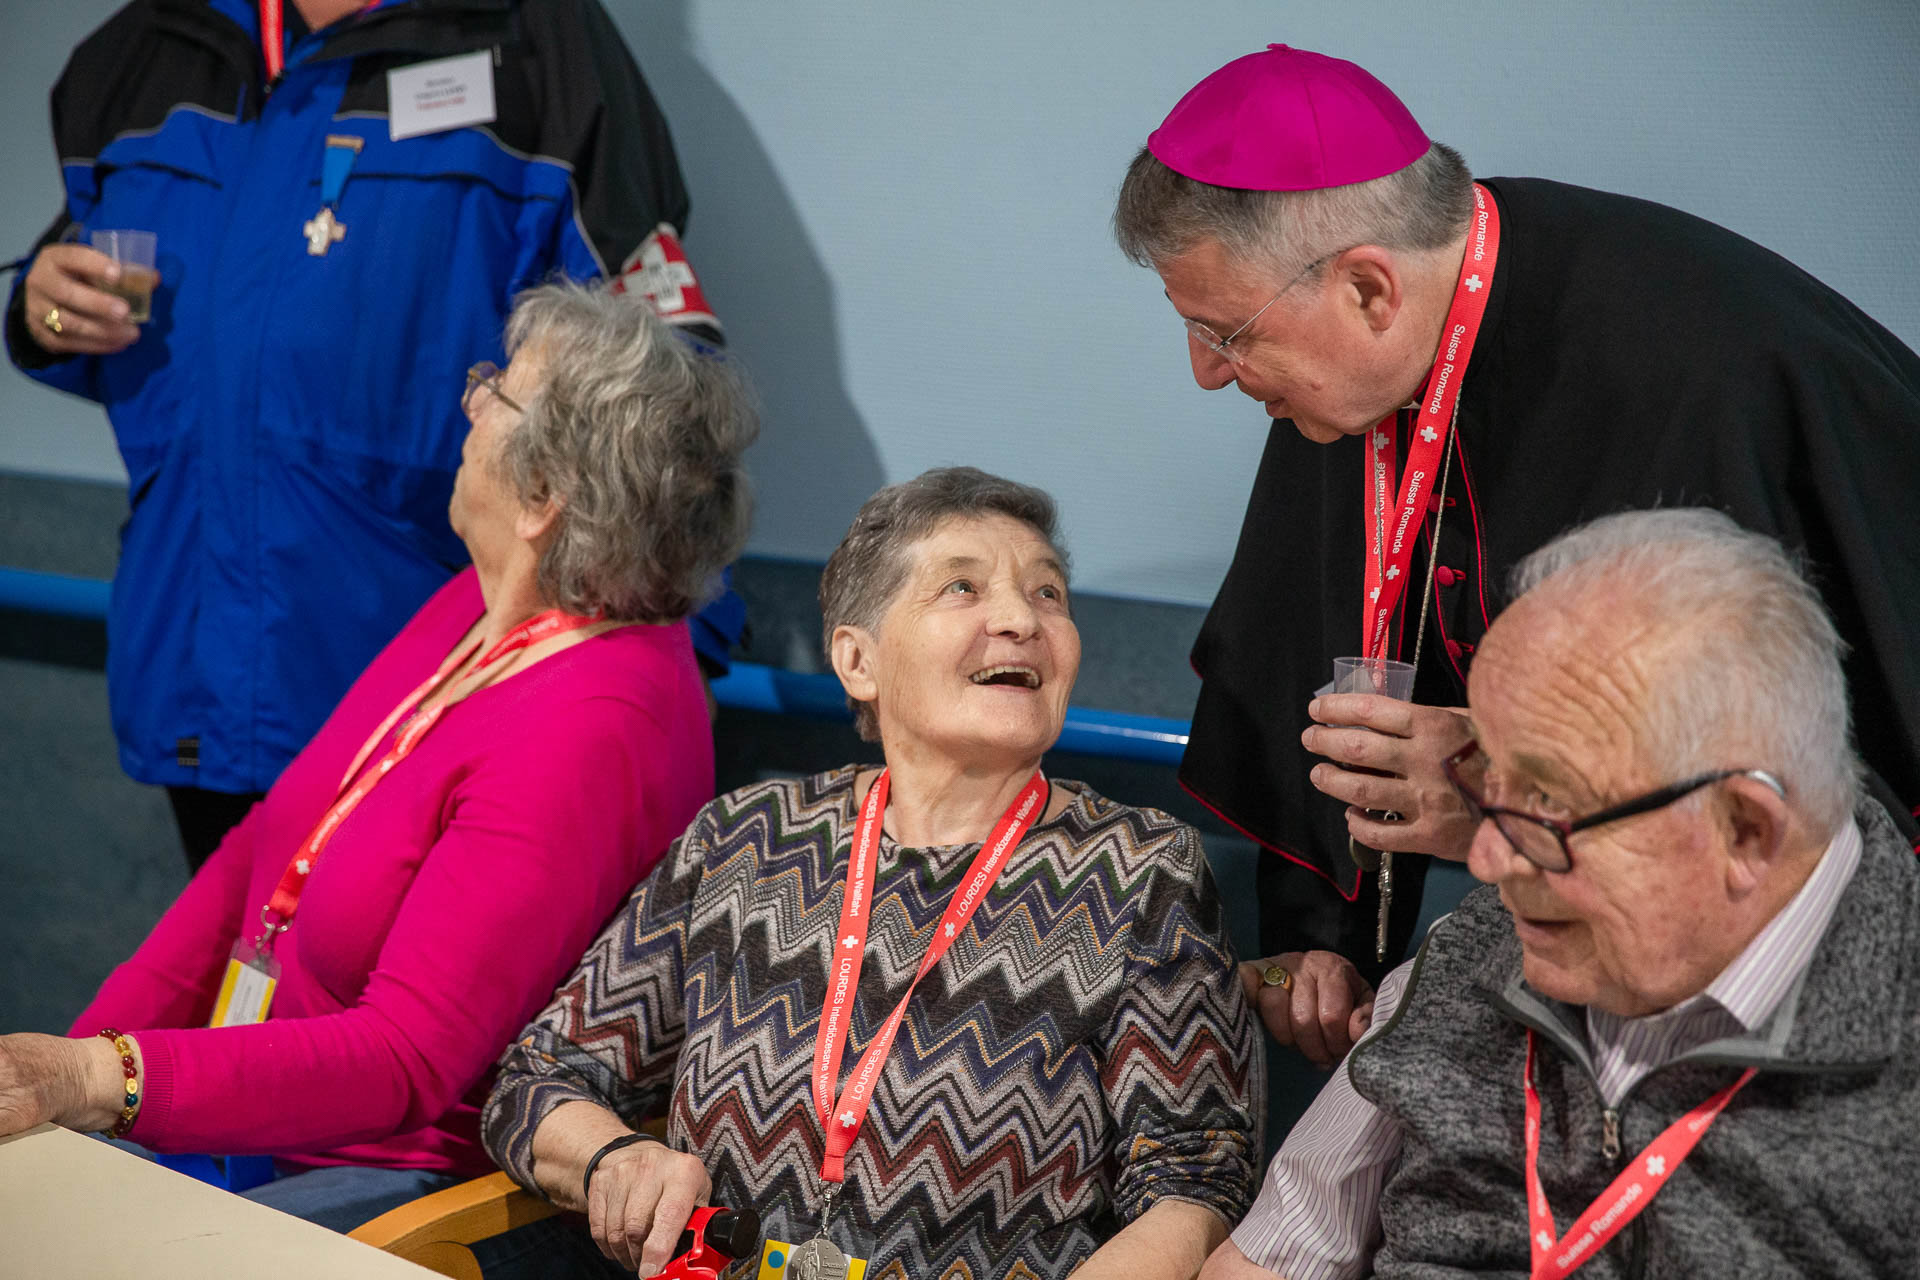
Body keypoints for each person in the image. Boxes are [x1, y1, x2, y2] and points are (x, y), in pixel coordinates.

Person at [1112, 43, 1920, 1061]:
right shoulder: (1354, 376)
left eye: (1226, 333)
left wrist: (1515, 793)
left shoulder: (1698, 374)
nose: (1206, 372)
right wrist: (1321, 943)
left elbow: (1793, 806)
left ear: (1369, 290)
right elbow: (1324, 644)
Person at [0, 283, 756, 1233]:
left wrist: (94, 1078)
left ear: (544, 497)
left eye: (495, 389)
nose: (469, 402)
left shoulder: (598, 725)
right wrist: (70, 1067)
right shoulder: (483, 604)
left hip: (397, 1189)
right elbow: (263, 849)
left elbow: (406, 1059)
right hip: (263, 1129)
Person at [4, 0, 744, 871]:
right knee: (236, 956)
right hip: (195, 665)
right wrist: (41, 310)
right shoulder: (140, 48)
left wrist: (672, 657)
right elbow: (94, 284)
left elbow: (661, 390)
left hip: (443, 691)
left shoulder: (534, 44)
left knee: (415, 966)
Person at [481, 468, 1261, 1280]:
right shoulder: (747, 837)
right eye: (963, 587)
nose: (1021, 620)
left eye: (1048, 593)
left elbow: (1195, 1184)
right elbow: (541, 1077)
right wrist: (613, 1160)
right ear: (859, 661)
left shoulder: (1137, 870)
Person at [1206, 508, 1920, 1280]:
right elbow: (1272, 1261)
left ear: (1745, 830)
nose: (1486, 859)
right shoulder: (1467, 959)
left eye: (1545, 808)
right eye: (1486, 780)